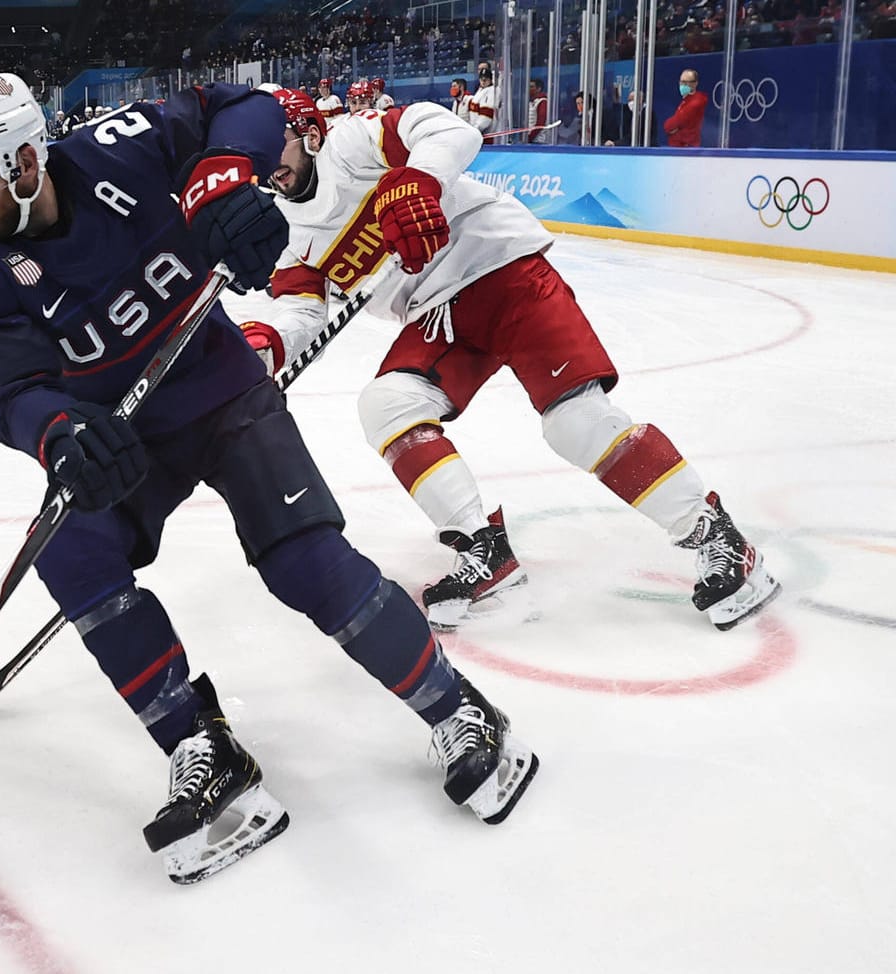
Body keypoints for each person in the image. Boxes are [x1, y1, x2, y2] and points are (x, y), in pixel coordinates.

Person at [0, 73, 539, 886]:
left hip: (220, 392)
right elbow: (4, 389)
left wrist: (224, 174)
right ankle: (201, 747)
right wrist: (56, 431)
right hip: (119, 438)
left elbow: (239, 106)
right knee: (73, 557)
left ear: (26, 157)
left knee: (304, 563)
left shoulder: (119, 151)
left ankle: (459, 709)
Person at [247, 89, 780, 633]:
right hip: (438, 313)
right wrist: (267, 344)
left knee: (576, 423)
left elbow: (452, 132)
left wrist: (418, 180)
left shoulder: (352, 145)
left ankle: (719, 538)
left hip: (502, 268)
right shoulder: (291, 236)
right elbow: (300, 311)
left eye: (270, 146)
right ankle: (484, 549)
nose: (264, 164)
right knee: (387, 405)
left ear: (308, 132)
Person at [665, 69, 706, 147]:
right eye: (681, 82)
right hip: (676, 148)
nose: (682, 85)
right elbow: (668, 126)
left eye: (686, 82)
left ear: (695, 84)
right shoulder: (685, 101)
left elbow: (677, 121)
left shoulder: (697, 101)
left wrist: (675, 127)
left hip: (688, 148)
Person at [467, 65, 498, 140]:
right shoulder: (481, 90)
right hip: (477, 132)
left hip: (485, 136)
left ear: (490, 80)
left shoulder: (491, 91)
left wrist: (476, 129)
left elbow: (486, 117)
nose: (483, 81)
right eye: (481, 79)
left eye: (486, 79)